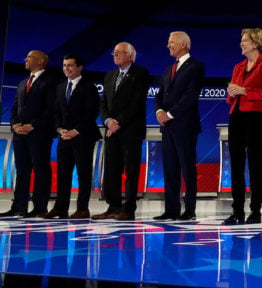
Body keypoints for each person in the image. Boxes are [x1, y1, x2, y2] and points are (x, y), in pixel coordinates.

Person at [223, 28, 262, 225]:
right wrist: (233, 91)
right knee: (236, 165)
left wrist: (244, 90)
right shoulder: (238, 67)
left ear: (255, 43)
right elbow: (232, 96)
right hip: (236, 115)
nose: (241, 43)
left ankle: (255, 210)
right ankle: (237, 210)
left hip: (255, 116)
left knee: (254, 163)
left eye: (244, 40)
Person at [92, 42, 149, 221]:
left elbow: (136, 102)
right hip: (112, 131)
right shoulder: (109, 75)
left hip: (131, 129)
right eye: (114, 52)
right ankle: (113, 206)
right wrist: (108, 121)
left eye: (120, 52)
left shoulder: (140, 74)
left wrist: (119, 122)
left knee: (131, 170)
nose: (115, 55)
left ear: (131, 56)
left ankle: (129, 208)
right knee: (111, 169)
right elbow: (104, 103)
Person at [154, 31, 205, 221]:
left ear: (183, 44)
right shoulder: (168, 69)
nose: (168, 45)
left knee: (187, 168)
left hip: (185, 126)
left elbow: (191, 95)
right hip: (168, 127)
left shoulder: (196, 66)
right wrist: (159, 112)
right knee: (170, 169)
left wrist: (169, 114)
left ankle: (189, 210)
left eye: (171, 42)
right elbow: (160, 95)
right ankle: (171, 210)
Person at [43, 54, 101, 219]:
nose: (66, 68)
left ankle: (82, 208)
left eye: (70, 65)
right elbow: (56, 112)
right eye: (64, 65)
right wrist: (60, 129)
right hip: (64, 137)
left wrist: (76, 130)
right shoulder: (61, 87)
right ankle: (60, 208)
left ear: (79, 67)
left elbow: (91, 112)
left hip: (83, 137)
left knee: (83, 173)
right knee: (63, 173)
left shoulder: (89, 86)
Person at [0, 50, 56, 218]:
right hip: (20, 134)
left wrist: (34, 125)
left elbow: (51, 109)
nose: (25, 59)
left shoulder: (50, 82)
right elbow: (16, 108)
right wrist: (14, 125)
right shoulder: (23, 82)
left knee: (40, 169)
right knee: (22, 169)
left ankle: (40, 207)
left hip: (39, 133)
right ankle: (19, 206)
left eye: (29, 57)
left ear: (40, 61)